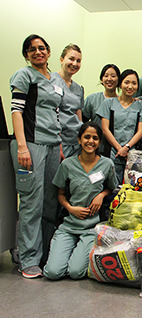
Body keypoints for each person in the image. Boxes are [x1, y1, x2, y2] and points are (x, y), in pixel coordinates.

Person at [10, 34, 63, 278]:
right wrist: (22, 146)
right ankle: (28, 259)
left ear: (49, 52)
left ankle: (44, 256)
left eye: (42, 48)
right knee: (32, 202)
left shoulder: (56, 80)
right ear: (26, 54)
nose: (38, 52)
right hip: (31, 145)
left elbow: (56, 113)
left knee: (50, 202)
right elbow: (17, 111)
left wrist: (60, 145)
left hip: (53, 146)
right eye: (32, 49)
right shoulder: (25, 75)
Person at [43, 122, 117, 280]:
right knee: (52, 272)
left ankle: (79, 256)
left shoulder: (106, 164)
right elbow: (61, 194)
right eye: (87, 137)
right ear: (79, 140)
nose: (91, 141)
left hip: (91, 227)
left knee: (76, 272)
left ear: (99, 142)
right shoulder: (67, 165)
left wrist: (101, 195)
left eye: (95, 138)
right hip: (69, 225)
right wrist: (70, 208)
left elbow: (111, 188)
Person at [97, 69, 142, 184]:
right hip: (111, 151)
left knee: (130, 185)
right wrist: (119, 148)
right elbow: (105, 129)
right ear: (120, 84)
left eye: (134, 83)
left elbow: (140, 132)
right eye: (127, 82)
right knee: (110, 185)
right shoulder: (108, 103)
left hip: (132, 152)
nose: (130, 86)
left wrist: (126, 147)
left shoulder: (141, 105)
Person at [53, 44, 84, 158]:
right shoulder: (51, 81)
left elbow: (78, 114)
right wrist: (59, 144)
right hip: (58, 141)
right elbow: (51, 113)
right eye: (71, 59)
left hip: (75, 142)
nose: (75, 63)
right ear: (62, 59)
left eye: (78, 61)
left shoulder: (78, 88)